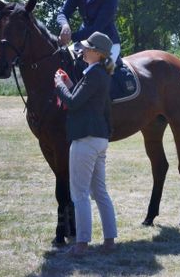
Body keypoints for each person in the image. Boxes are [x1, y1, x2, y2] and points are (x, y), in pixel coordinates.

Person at [54, 31, 117, 255]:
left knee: (79, 193)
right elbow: (81, 97)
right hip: (99, 139)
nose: (83, 50)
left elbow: (71, 102)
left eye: (87, 48)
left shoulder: (93, 74)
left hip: (86, 139)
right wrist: (69, 82)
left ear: (97, 53)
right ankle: (109, 240)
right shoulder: (98, 73)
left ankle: (81, 244)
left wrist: (59, 85)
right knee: (100, 192)